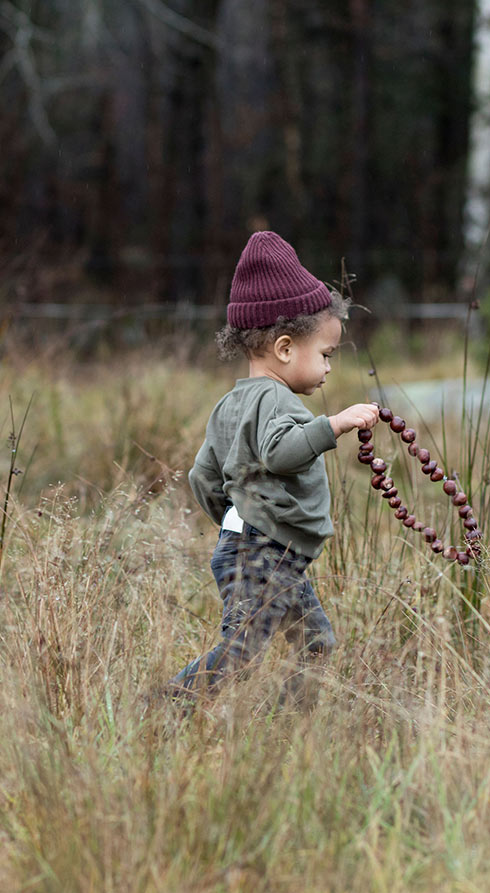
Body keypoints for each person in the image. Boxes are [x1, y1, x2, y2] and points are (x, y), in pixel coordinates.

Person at [170, 231, 379, 702]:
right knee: (242, 653)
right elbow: (280, 452)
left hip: (257, 549)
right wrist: (335, 425)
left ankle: (283, 726)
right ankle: (166, 708)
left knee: (316, 644)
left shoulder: (232, 403)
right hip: (262, 554)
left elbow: (202, 477)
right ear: (285, 349)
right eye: (325, 355)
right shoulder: (275, 400)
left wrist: (233, 521)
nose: (328, 368)